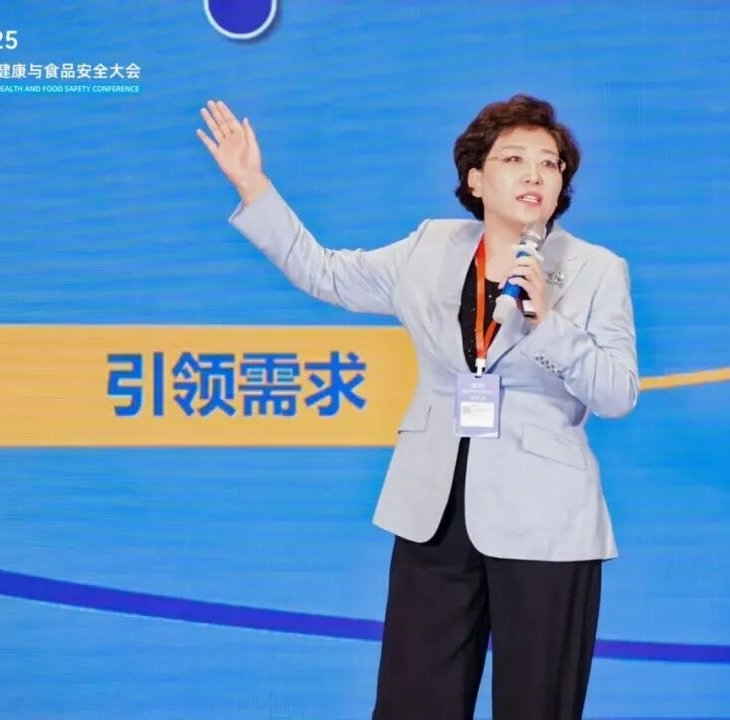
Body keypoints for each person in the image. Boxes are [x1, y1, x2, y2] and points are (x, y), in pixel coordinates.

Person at [197, 93, 639, 720]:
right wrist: (254, 186)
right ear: (475, 178)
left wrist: (551, 324)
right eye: (514, 159)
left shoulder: (596, 269)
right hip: (435, 510)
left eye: (550, 163)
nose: (536, 174)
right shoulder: (430, 248)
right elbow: (324, 273)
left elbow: (617, 393)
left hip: (545, 521)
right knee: (413, 703)